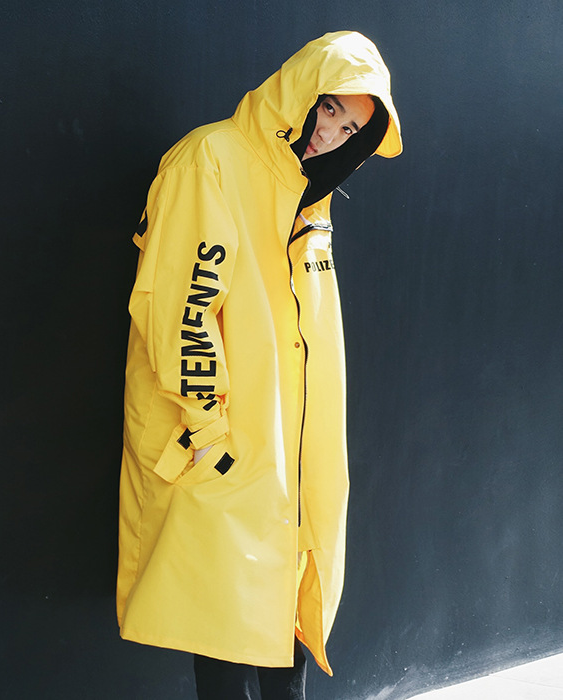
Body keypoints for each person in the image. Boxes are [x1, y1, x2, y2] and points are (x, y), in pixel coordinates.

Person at [116, 30, 402, 699]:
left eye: (350, 128)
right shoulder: (211, 159)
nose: (330, 133)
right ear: (300, 91)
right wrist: (210, 436)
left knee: (283, 625)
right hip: (220, 445)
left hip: (285, 453)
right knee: (223, 631)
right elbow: (181, 310)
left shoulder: (308, 196)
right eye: (328, 107)